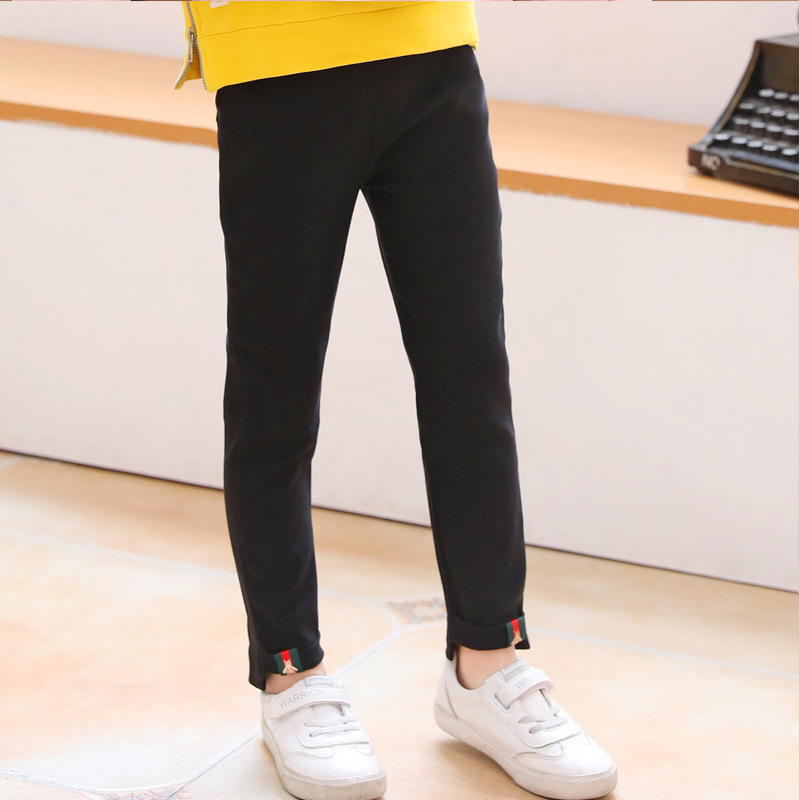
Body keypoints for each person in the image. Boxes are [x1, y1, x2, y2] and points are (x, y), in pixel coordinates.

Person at [173, 3, 617, 799]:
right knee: (277, 390)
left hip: (429, 44)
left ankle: (487, 663)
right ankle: (290, 671)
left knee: (470, 375)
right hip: (277, 60)